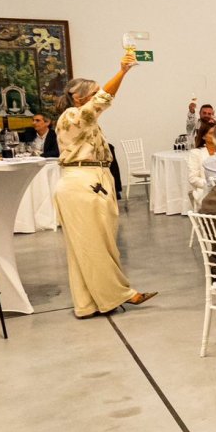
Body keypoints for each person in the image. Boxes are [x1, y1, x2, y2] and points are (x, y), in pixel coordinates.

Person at [53, 52, 158, 317]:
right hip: (82, 182)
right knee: (95, 244)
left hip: (91, 179)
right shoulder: (72, 115)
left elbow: (99, 104)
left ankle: (87, 304)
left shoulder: (82, 119)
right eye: (94, 93)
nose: (100, 96)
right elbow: (103, 101)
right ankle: (119, 294)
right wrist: (122, 72)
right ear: (79, 98)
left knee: (90, 244)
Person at [186, 119, 216, 204]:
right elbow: (193, 178)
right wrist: (211, 184)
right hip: (206, 190)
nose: (215, 136)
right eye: (212, 134)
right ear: (204, 137)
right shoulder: (196, 153)